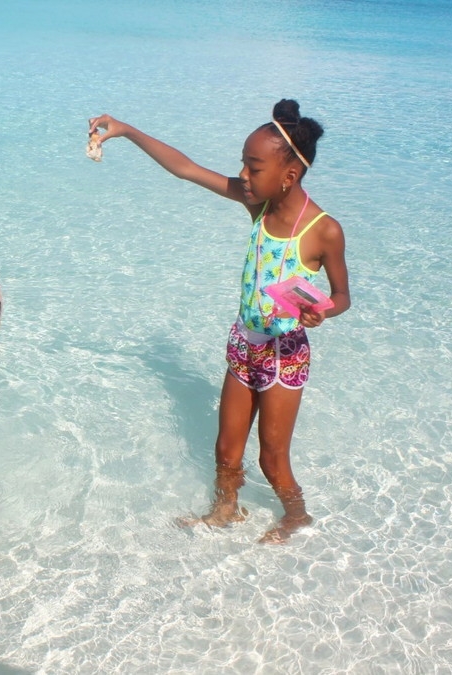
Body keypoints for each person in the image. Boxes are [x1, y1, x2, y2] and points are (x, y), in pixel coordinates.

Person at [89, 100, 350, 543]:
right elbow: (186, 169)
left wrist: (321, 310)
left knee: (272, 458)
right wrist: (128, 131)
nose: (243, 177)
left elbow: (342, 296)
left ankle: (296, 515)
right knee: (226, 450)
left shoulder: (324, 231)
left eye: (253, 167)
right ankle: (226, 510)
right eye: (243, 166)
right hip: (244, 344)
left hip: (284, 354)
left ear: (288, 177)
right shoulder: (259, 207)